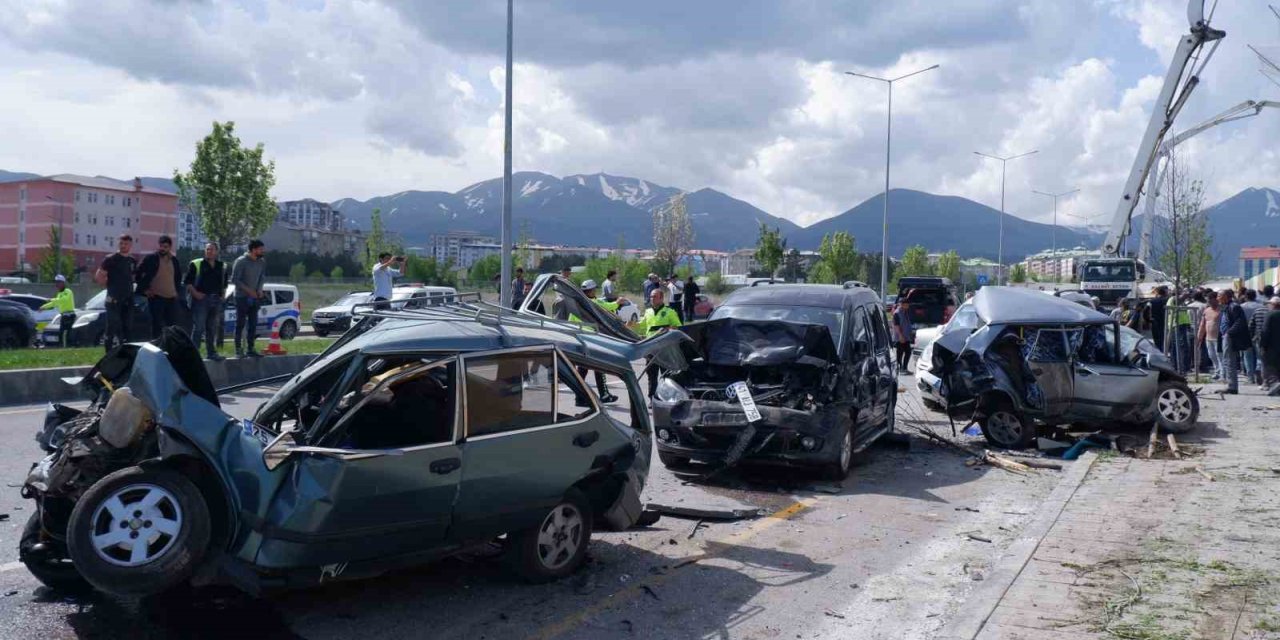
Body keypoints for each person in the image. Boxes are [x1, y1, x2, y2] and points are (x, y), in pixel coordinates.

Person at [576, 279, 623, 404]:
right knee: (599, 366)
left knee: (582, 369)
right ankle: (604, 395)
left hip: (580, 338)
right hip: (592, 339)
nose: (595, 291)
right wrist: (618, 302)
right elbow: (608, 307)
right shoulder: (593, 302)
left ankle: (579, 397)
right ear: (590, 291)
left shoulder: (577, 303)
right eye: (594, 289)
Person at [184, 242, 227, 361]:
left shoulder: (222, 266)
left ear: (217, 251)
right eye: (207, 249)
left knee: (212, 328)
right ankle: (194, 355)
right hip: (201, 301)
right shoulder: (196, 264)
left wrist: (222, 295)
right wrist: (196, 294)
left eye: (212, 249)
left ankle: (211, 353)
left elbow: (225, 283)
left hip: (216, 300)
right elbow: (187, 282)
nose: (209, 251)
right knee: (198, 328)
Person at [134, 234, 182, 339]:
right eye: (161, 246)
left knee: (171, 326)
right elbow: (138, 274)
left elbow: (178, 278)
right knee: (157, 325)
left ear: (170, 247)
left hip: (171, 298)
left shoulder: (174, 261)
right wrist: (145, 289)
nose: (162, 249)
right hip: (156, 298)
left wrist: (177, 292)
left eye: (165, 247)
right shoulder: (151, 259)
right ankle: (156, 349)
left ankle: (169, 348)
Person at [637, 287, 683, 397]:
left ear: (661, 298)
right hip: (650, 348)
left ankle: (666, 397)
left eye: (655, 296)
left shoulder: (669, 312)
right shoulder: (648, 312)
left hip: (665, 349)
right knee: (651, 375)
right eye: (651, 296)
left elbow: (678, 327)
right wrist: (630, 325)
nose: (652, 298)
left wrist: (668, 328)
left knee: (666, 375)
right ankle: (652, 397)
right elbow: (642, 326)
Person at [95, 234, 137, 351]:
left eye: (126, 244)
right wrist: (109, 287)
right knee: (113, 326)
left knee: (127, 327)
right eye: (121, 243)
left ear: (130, 245)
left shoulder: (132, 260)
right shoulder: (111, 259)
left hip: (127, 300)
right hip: (113, 300)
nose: (123, 246)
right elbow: (99, 276)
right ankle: (108, 353)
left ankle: (126, 353)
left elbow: (132, 277)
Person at [231, 240, 268, 357]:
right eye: (260, 249)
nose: (263, 251)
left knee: (253, 324)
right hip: (241, 298)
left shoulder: (261, 262)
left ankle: (251, 349)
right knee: (240, 323)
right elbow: (235, 280)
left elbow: (262, 277)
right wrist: (249, 291)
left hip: (255, 298)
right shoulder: (241, 261)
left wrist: (259, 289)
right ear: (253, 250)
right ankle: (238, 349)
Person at [1218, 288, 1250, 394]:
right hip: (1226, 336)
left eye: (1219, 295)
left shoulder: (1234, 307)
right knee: (1227, 360)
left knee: (1230, 361)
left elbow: (1240, 322)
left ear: (1226, 296)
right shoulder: (1226, 307)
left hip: (1230, 337)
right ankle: (1230, 385)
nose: (1218, 298)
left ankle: (1232, 387)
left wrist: (1229, 333)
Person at [39, 275, 76, 348]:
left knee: (66, 332)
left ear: (63, 283)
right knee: (62, 332)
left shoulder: (67, 291)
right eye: (56, 282)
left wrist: (52, 299)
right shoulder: (59, 294)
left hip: (69, 315)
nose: (57, 284)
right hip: (64, 315)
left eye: (59, 282)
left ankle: (67, 346)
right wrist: (43, 307)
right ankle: (64, 346)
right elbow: (55, 303)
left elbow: (63, 300)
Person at [1241, 289, 1265, 385]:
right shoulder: (1261, 306)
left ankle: (1250, 377)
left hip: (1245, 334)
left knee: (1247, 356)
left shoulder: (1241, 307)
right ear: (1255, 296)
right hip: (1258, 334)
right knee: (1259, 356)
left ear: (1245, 296)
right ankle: (1259, 372)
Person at [1197, 293, 1222, 380]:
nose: (1208, 302)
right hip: (1208, 338)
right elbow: (1202, 324)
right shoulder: (1206, 310)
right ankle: (1217, 371)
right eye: (1207, 300)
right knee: (1212, 355)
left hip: (1219, 338)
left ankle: (1222, 373)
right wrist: (1199, 336)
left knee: (1220, 356)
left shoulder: (1221, 310)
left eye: (1209, 299)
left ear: (1215, 299)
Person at [1260, 296, 1280, 394]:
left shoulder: (1270, 315)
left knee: (1271, 367)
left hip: (1271, 346)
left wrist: (1262, 345)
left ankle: (1274, 386)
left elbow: (1265, 331)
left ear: (1273, 305)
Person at [892, 301, 915, 372]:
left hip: (906, 336)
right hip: (900, 337)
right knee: (900, 353)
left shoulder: (905, 312)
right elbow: (896, 325)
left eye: (908, 305)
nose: (907, 306)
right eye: (906, 305)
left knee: (908, 352)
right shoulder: (897, 313)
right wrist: (900, 336)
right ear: (902, 304)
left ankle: (904, 368)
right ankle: (899, 368)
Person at [1149, 286, 1169, 353]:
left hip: (1155, 322)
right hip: (1165, 322)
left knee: (1157, 340)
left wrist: (1149, 320)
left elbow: (1146, 311)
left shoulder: (1152, 301)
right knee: (1164, 340)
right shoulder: (1167, 300)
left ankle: (1159, 353)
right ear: (1165, 292)